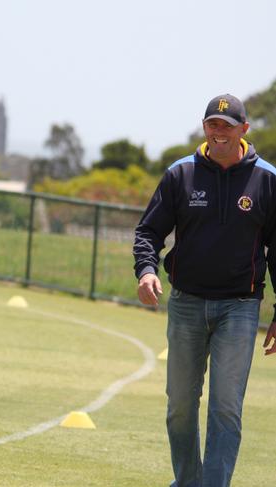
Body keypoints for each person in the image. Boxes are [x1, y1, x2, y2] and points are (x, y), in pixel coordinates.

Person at [134, 93, 276, 487]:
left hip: (241, 308)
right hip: (186, 304)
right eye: (212, 125)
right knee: (179, 406)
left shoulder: (267, 179)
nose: (218, 133)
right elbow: (148, 231)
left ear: (244, 130)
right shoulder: (180, 174)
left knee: (225, 408)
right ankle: (188, 481)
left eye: (227, 127)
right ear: (205, 128)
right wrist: (146, 270)